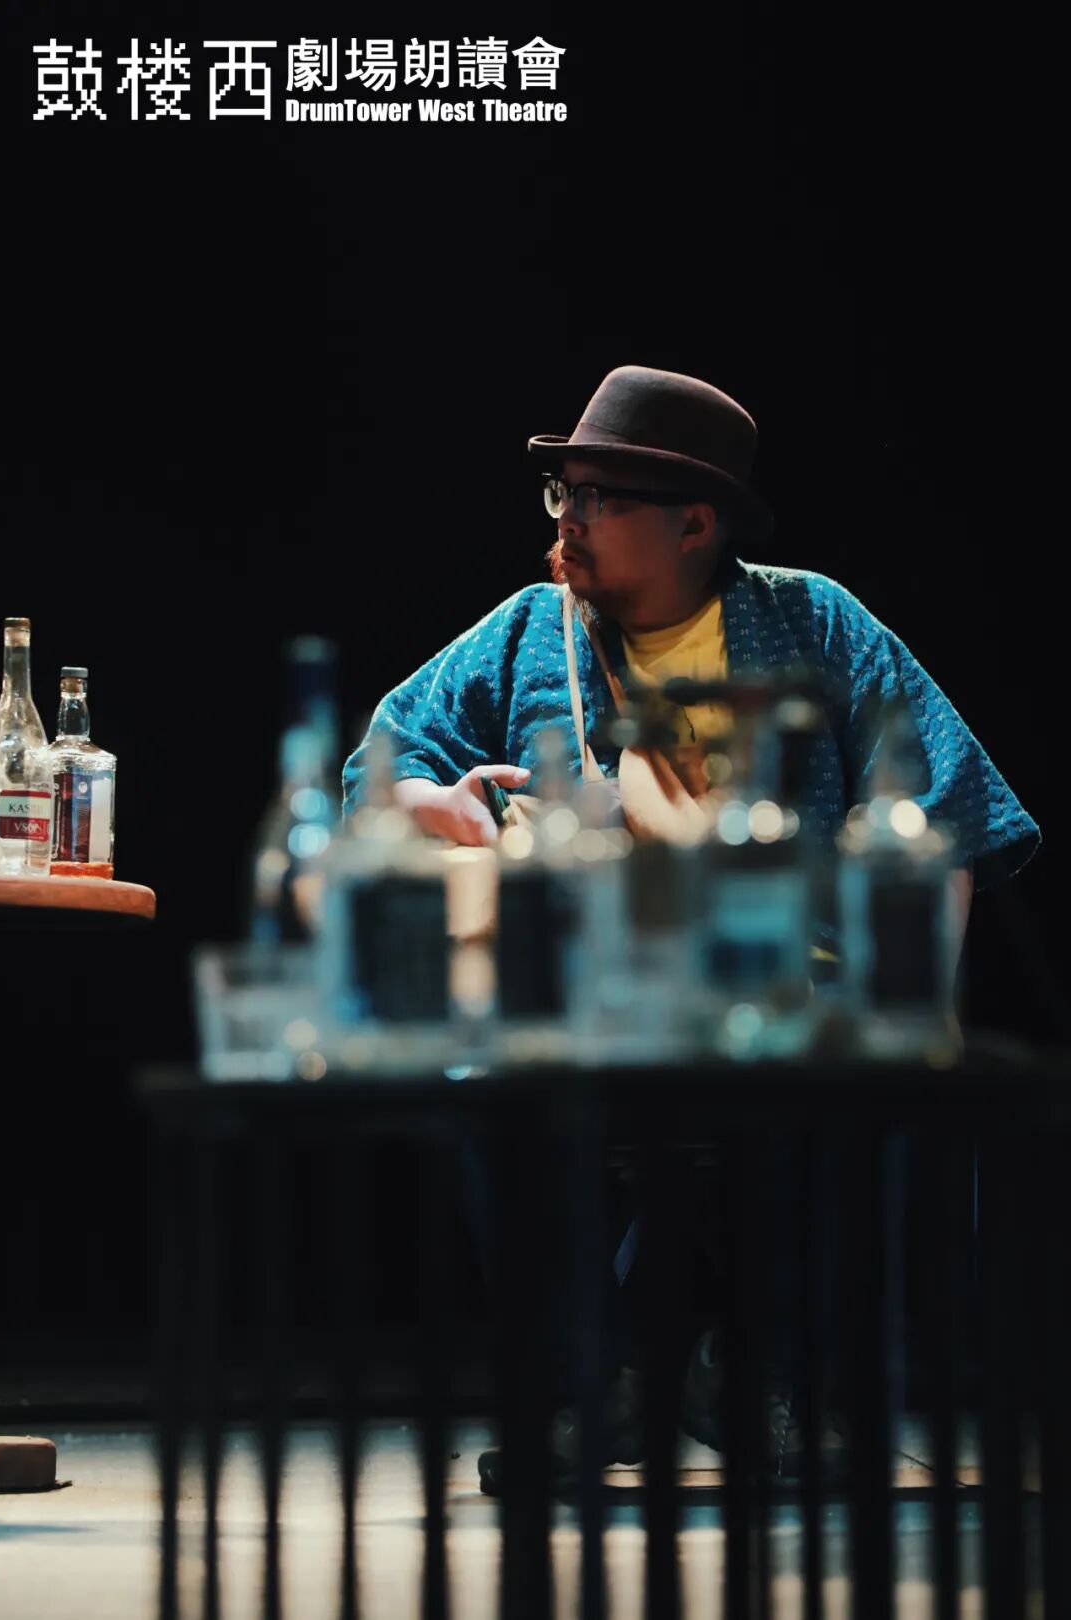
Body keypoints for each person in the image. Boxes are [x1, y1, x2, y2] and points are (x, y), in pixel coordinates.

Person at [342, 364, 1040, 1490]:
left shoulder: (814, 622)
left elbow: (948, 810)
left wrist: (912, 1006)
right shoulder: (530, 630)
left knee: (875, 1075)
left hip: (791, 986)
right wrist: (437, 802)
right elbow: (379, 761)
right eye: (562, 494)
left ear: (695, 524)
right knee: (473, 1065)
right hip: (589, 989)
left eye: (597, 498)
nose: (568, 520)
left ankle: (772, 1378)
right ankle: (595, 1383)